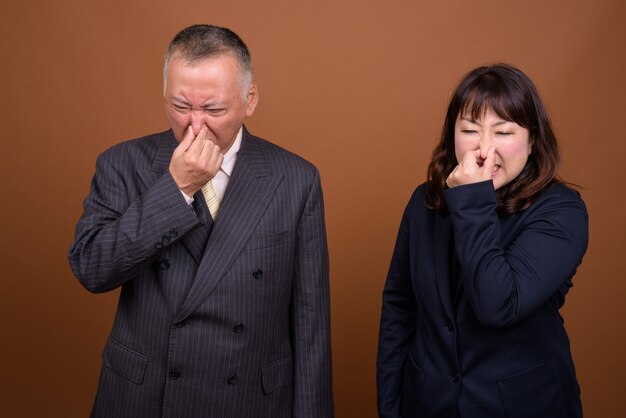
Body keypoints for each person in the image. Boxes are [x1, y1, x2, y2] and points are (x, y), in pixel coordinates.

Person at [68, 24, 333, 418]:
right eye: (180, 106)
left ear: (249, 100)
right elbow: (92, 269)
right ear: (164, 94)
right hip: (146, 398)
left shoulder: (296, 180)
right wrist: (175, 189)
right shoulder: (122, 164)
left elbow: (311, 324)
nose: (195, 125)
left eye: (213, 110)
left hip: (249, 401)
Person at [377, 64, 588, 418]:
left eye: (503, 131)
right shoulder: (424, 201)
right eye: (469, 130)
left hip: (522, 405)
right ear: (452, 136)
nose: (484, 148)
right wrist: (390, 405)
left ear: (532, 139)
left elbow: (497, 304)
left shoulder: (561, 212)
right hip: (427, 403)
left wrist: (473, 199)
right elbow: (400, 305)